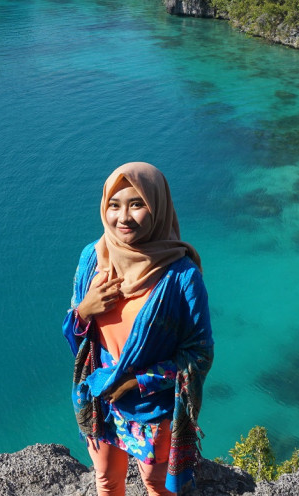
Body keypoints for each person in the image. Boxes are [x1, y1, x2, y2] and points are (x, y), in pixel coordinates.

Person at [63, 162, 214, 496]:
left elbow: (199, 353)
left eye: (137, 204)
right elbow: (75, 335)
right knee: (106, 479)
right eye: (114, 205)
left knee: (155, 484)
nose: (123, 217)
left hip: (151, 409)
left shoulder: (181, 277)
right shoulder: (93, 258)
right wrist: (84, 310)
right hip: (99, 397)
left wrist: (139, 381)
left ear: (158, 207)